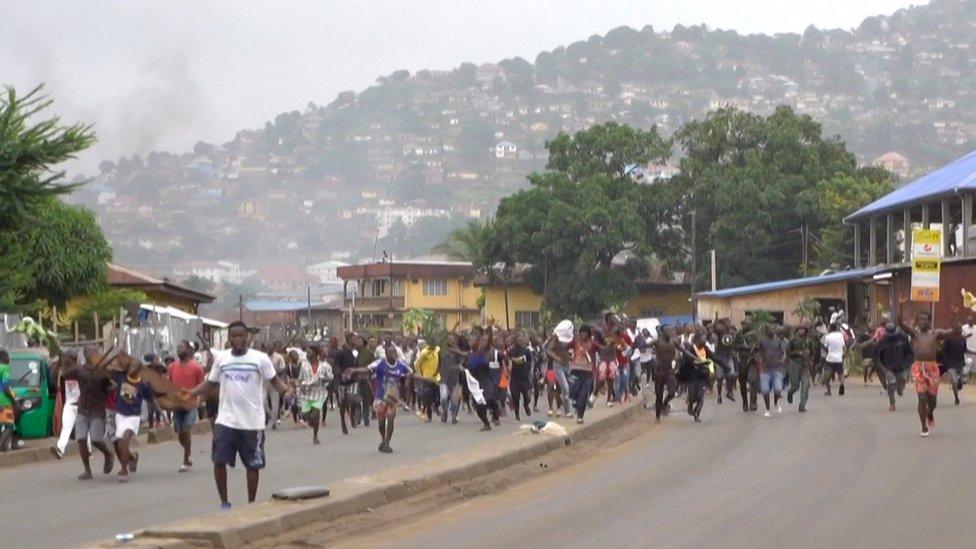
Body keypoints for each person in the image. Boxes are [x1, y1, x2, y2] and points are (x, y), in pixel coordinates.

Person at [185, 321, 292, 510]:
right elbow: (210, 383)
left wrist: (287, 391)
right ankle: (224, 502)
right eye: (234, 336)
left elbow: (275, 381)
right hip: (226, 420)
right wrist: (192, 393)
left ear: (247, 337)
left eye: (241, 335)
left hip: (252, 422)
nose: (238, 339)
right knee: (219, 460)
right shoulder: (222, 359)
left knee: (253, 465)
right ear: (229, 338)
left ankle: (251, 504)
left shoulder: (260, 359)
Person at [897, 296, 957, 437]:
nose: (923, 321)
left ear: (929, 321)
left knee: (932, 400)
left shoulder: (936, 334)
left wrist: (954, 315)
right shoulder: (914, 334)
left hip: (932, 369)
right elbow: (900, 323)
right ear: (917, 321)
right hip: (918, 368)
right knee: (922, 398)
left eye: (925, 319)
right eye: (920, 319)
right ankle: (924, 427)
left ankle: (930, 413)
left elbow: (954, 331)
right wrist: (901, 306)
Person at [63, 348, 115, 479]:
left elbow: (112, 387)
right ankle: (87, 470)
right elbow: (65, 375)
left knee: (96, 439)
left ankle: (108, 453)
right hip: (83, 409)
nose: (89, 356)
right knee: (81, 439)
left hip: (97, 410)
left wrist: (107, 382)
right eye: (88, 354)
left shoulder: (102, 372)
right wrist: (63, 363)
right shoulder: (79, 370)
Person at [111, 356, 155, 482]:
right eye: (131, 366)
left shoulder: (142, 385)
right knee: (120, 444)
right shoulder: (120, 378)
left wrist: (162, 415)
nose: (132, 369)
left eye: (135, 367)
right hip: (120, 416)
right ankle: (133, 457)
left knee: (125, 440)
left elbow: (152, 400)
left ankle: (123, 469)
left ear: (139, 370)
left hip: (133, 417)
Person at [367, 346, 412, 453]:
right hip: (380, 397)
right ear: (386, 354)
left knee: (391, 420)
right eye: (391, 353)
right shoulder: (380, 363)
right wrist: (356, 371)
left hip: (392, 398)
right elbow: (368, 368)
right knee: (381, 423)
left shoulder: (400, 364)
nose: (393, 355)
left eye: (395, 352)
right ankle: (383, 439)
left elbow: (410, 371)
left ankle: (387, 443)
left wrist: (406, 379)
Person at [168, 340, 205, 472]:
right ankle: (188, 452)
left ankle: (186, 459)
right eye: (177, 347)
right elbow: (170, 384)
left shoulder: (196, 368)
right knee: (179, 434)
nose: (179, 350)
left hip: (191, 404)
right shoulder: (172, 367)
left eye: (181, 347)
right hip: (177, 405)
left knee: (186, 429)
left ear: (188, 350)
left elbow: (202, 385)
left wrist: (200, 400)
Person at [298, 346, 332, 444]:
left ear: (315, 354)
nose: (307, 355)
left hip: (318, 392)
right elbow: (300, 379)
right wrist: (301, 387)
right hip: (306, 393)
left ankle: (315, 436)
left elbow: (330, 378)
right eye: (307, 353)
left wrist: (323, 379)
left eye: (309, 353)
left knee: (316, 413)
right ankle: (310, 421)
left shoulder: (324, 366)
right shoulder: (304, 365)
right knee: (305, 415)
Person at [51, 349, 81, 459]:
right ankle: (60, 449)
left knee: (84, 431)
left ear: (70, 358)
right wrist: (59, 362)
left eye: (66, 357)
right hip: (69, 403)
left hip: (81, 404)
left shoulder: (79, 370)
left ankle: (89, 451)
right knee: (66, 427)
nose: (65, 359)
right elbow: (53, 377)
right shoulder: (66, 370)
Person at [875, 322, 912, 411]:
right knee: (891, 384)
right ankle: (892, 403)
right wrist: (881, 366)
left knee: (902, 380)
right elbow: (877, 356)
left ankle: (900, 389)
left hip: (901, 365)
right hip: (888, 366)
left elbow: (909, 352)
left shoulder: (903, 339)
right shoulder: (882, 342)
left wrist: (907, 363)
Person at [569, 325, 598, 424]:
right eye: (581, 332)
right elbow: (565, 347)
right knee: (572, 390)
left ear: (588, 334)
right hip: (575, 371)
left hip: (588, 373)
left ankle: (580, 416)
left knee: (583, 395)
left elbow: (601, 349)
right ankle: (576, 402)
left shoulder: (592, 343)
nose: (583, 335)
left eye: (585, 333)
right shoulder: (575, 342)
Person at [545, 320, 574, 418]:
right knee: (551, 386)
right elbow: (547, 350)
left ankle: (559, 407)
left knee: (560, 387)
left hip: (565, 365)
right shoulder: (552, 340)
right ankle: (550, 408)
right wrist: (557, 358)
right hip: (551, 367)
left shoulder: (569, 339)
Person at [786, 324, 817, 412]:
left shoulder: (809, 341)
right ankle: (790, 393)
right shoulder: (792, 340)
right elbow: (787, 352)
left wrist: (811, 361)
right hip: (794, 364)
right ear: (797, 331)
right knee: (795, 386)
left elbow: (813, 353)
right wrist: (797, 353)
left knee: (806, 384)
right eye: (800, 329)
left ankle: (802, 405)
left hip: (805, 365)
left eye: (803, 329)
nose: (801, 331)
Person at [758, 326, 788, 417]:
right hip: (765, 370)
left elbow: (784, 352)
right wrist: (759, 360)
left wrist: (783, 359)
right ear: (766, 333)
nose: (771, 333)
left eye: (773, 332)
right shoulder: (762, 342)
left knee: (778, 389)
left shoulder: (778, 341)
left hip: (777, 369)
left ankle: (775, 403)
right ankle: (767, 409)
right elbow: (758, 352)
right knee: (765, 390)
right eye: (769, 332)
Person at [651, 328, 679, 422]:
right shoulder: (657, 342)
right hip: (659, 372)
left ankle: (665, 403)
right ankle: (657, 416)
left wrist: (694, 357)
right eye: (668, 331)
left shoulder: (673, 342)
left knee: (672, 392)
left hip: (670, 371)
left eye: (671, 331)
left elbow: (683, 350)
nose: (671, 332)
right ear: (663, 333)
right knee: (659, 395)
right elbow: (644, 345)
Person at [438, 334, 464, 424]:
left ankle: (453, 416)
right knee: (443, 399)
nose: (450, 341)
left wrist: (457, 367)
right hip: (444, 378)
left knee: (454, 400)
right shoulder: (441, 352)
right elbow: (439, 364)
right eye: (448, 339)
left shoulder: (457, 352)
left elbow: (461, 364)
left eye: (452, 339)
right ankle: (445, 413)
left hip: (454, 378)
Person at [413, 340, 440, 423]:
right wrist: (420, 375)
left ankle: (435, 406)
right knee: (428, 397)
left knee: (439, 396)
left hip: (436, 377)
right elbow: (416, 364)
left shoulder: (437, 349)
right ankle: (429, 416)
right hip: (427, 378)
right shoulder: (424, 353)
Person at [508, 334, 533, 421]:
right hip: (515, 378)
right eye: (519, 340)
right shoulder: (511, 351)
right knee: (515, 397)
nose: (521, 341)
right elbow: (509, 361)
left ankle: (526, 405)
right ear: (515, 341)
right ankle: (517, 415)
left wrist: (530, 371)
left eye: (522, 340)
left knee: (527, 396)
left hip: (525, 377)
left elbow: (530, 361)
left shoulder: (526, 351)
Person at [821, 324, 847, 396]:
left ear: (830, 329)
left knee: (827, 375)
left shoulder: (828, 337)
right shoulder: (840, 335)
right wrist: (844, 354)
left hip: (830, 358)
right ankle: (842, 384)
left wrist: (823, 347)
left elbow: (826, 347)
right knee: (840, 373)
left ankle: (828, 391)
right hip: (839, 358)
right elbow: (843, 346)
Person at [0, 350, 15, 452]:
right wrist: (13, 400)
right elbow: (5, 387)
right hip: (3, 402)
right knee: (9, 426)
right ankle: (1, 446)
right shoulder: (5, 369)